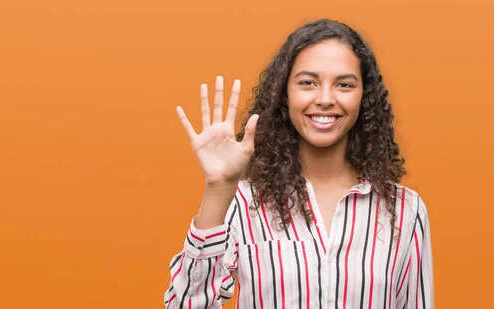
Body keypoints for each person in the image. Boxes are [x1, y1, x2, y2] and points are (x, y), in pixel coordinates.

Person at [164, 19, 434, 309]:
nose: (326, 99)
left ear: (364, 97)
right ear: (285, 94)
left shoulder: (405, 211)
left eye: (344, 84)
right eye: (308, 83)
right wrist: (218, 188)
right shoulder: (243, 203)